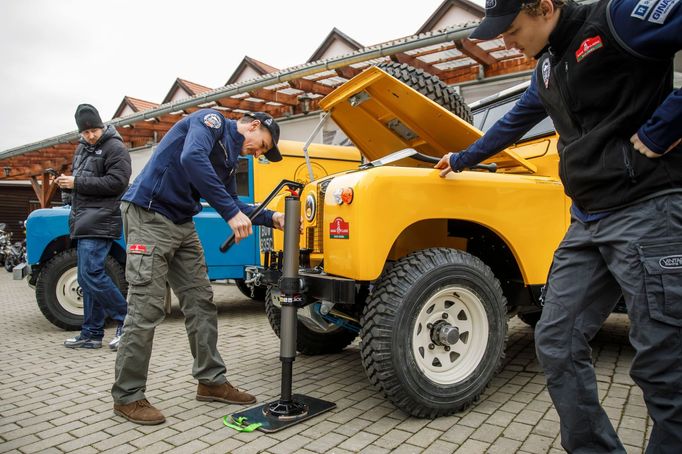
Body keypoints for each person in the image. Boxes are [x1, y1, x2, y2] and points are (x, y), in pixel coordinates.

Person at [435, 0, 681, 451]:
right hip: (586, 220)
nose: (506, 42)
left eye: (510, 30)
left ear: (544, 7)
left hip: (646, 210)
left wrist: (666, 126)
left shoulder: (616, 19)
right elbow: (513, 123)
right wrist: (464, 158)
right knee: (555, 341)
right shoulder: (546, 66)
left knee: (666, 364)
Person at [111, 109, 287, 425]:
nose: (259, 153)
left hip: (181, 222)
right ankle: (128, 396)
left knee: (201, 302)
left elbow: (235, 204)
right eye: (262, 145)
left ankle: (211, 381)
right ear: (254, 126)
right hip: (149, 215)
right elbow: (192, 159)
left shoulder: (230, 161)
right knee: (146, 309)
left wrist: (272, 218)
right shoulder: (213, 122)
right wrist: (232, 214)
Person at [56, 104, 131, 351]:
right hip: (83, 219)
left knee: (91, 274)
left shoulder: (115, 147)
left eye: (94, 130)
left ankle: (127, 321)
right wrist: (68, 188)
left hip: (101, 218)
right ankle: (91, 333)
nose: (90, 135)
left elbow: (117, 183)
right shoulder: (81, 149)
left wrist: (77, 182)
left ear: (102, 126)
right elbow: (82, 184)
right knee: (87, 278)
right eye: (85, 132)